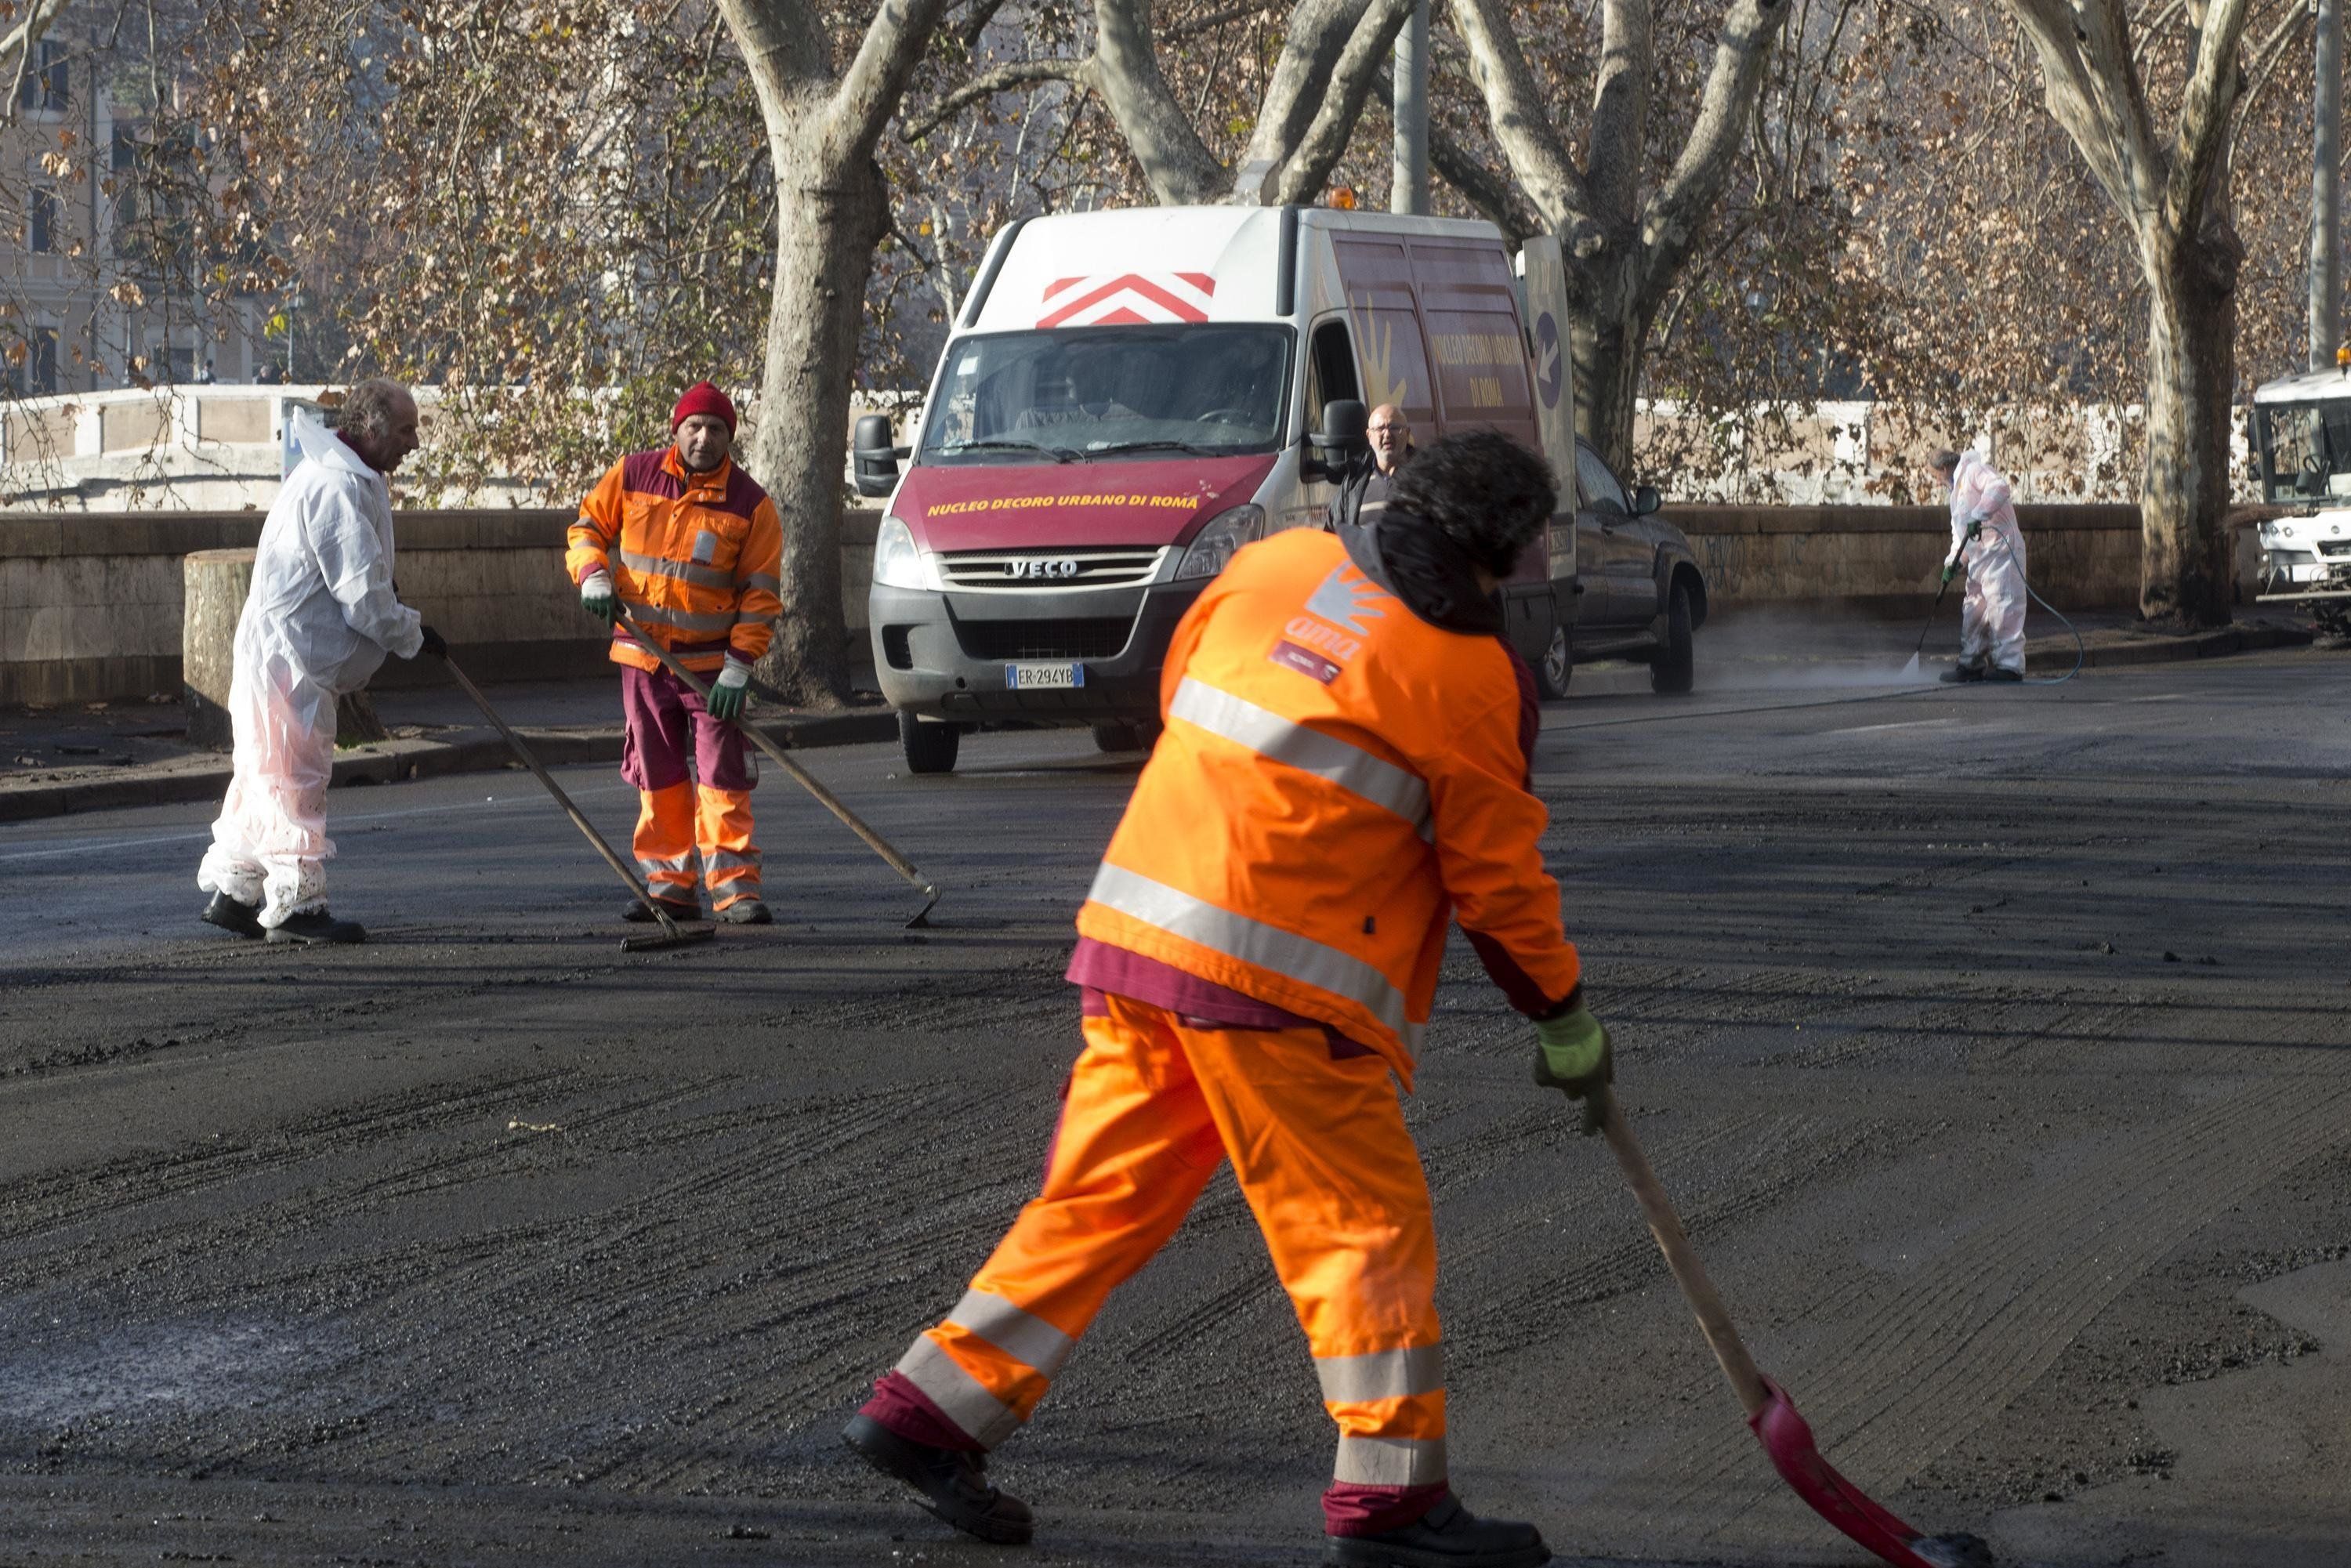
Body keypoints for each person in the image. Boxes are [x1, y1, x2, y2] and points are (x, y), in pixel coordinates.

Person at [845, 429, 1612, 1568]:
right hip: (1285, 986)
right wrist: (1564, 1018)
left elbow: (1182, 690)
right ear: (1509, 555)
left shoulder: (1277, 563)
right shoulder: (1468, 676)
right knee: (1364, 1231)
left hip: (1141, 935)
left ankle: (930, 1410)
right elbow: (1497, 884)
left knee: (1099, 1199)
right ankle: (1394, 1501)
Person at [197, 378, 443, 946]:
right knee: (292, 776)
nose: (413, 442)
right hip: (291, 660)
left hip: (285, 652)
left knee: (264, 773)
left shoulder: (343, 476)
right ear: (373, 429)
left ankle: (237, 893)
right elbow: (362, 594)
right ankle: (297, 905)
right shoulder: (337, 487)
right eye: (406, 430)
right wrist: (412, 632)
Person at [566, 382, 784, 925]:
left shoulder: (751, 505)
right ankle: (670, 885)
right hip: (643, 658)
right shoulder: (633, 474)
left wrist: (740, 666)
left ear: (729, 437)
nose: (704, 437)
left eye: (715, 429)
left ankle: (735, 889)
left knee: (721, 776)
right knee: (658, 773)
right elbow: (588, 526)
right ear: (676, 429)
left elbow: (761, 596)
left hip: (712, 670)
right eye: (695, 426)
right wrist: (593, 575)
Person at [1929, 447, 2028, 683]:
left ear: (1943, 469)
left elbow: (1999, 487)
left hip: (2001, 551)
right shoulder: (1956, 495)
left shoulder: (1973, 470)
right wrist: (1953, 563)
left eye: (1935, 476)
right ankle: (1970, 663)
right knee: (1974, 609)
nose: (1936, 481)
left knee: (2003, 606)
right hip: (1980, 558)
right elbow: (1960, 536)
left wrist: (1979, 514)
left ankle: (2010, 666)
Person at [1325, 403, 1418, 532]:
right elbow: (1332, 535)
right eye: (1380, 428)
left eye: (1394, 427)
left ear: (1407, 434)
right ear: (1369, 436)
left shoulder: (1425, 477)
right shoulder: (1354, 482)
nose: (1387, 434)